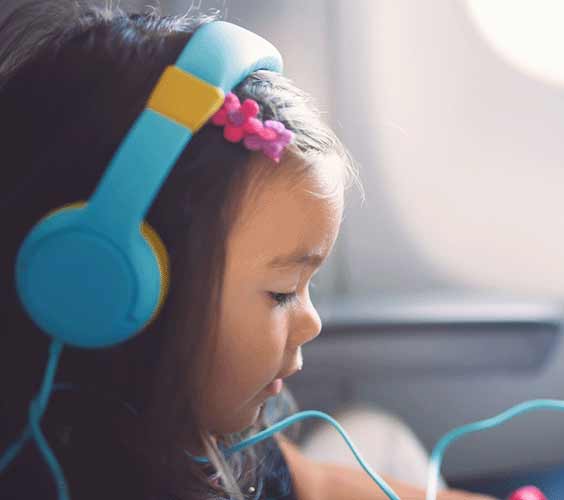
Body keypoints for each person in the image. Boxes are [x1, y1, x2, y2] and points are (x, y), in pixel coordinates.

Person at [0, 2, 496, 499]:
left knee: (373, 428)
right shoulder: (62, 478)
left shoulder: (213, 427)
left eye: (307, 287)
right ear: (109, 285)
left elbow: (314, 485)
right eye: (282, 292)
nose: (313, 322)